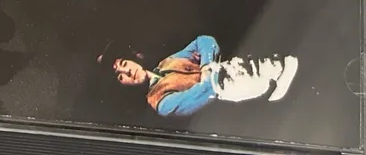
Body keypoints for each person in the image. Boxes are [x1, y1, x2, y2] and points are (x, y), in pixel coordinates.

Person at [105, 35, 299, 116]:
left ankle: (279, 67)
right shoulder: (160, 102)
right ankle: (278, 71)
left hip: (227, 71)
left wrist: (206, 66)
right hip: (228, 90)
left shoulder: (166, 63)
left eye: (124, 64)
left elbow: (204, 41)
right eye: (121, 76)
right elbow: (199, 94)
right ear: (123, 85)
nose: (128, 71)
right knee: (250, 83)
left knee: (245, 65)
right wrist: (210, 75)